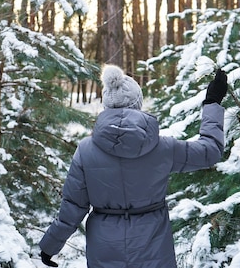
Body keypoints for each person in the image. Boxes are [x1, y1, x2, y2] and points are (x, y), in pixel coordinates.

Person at [39, 64, 227, 267]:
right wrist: (212, 102)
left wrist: (50, 246)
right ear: (138, 103)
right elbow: (210, 151)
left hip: (105, 248)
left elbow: (73, 207)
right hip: (153, 247)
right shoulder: (163, 148)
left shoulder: (85, 151)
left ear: (106, 104)